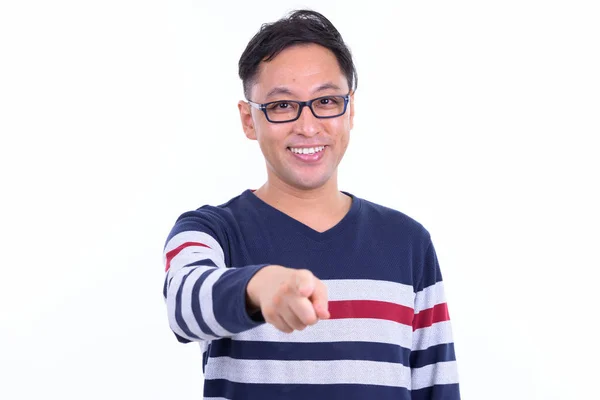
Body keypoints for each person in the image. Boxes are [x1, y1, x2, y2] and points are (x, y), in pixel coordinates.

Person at [162, 9, 460, 400]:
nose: (307, 125)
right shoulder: (212, 231)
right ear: (248, 120)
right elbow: (183, 306)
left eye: (326, 101)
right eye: (282, 105)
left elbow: (436, 386)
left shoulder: (408, 243)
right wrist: (259, 286)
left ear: (350, 108)